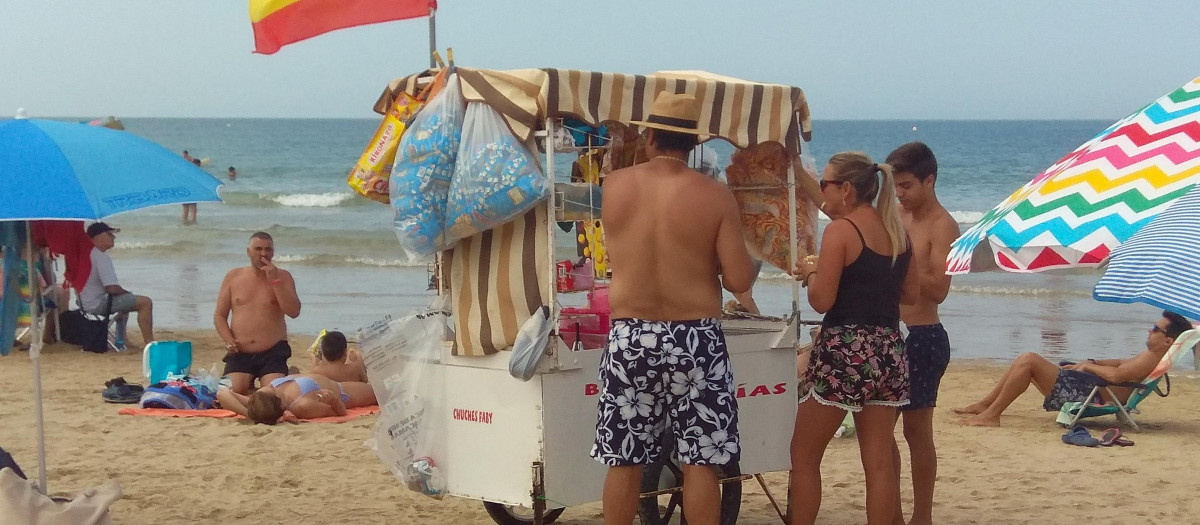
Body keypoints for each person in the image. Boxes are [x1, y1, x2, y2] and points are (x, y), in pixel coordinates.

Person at [590, 92, 757, 525]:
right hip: (694, 337)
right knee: (700, 460)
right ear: (695, 144)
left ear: (649, 137)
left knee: (624, 458)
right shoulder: (715, 196)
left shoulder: (614, 187)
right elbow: (739, 281)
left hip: (631, 334)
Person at [791, 152, 917, 525]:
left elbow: (822, 299)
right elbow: (910, 294)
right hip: (889, 348)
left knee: (804, 453)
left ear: (846, 189)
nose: (823, 191)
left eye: (826, 184)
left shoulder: (842, 231)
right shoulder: (897, 232)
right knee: (878, 462)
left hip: (845, 349)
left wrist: (812, 271)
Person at [885, 141, 960, 525]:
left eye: (907, 185)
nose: (900, 193)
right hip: (888, 334)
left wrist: (902, 265)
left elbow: (939, 289)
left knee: (916, 433)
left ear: (929, 180)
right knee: (880, 431)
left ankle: (922, 517)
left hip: (923, 335)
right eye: (896, 185)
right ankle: (893, 514)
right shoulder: (895, 214)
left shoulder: (942, 224)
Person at [956, 311, 1191, 427]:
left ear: (1168, 341)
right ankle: (986, 405)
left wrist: (1088, 367)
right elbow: (1120, 364)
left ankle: (992, 415)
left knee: (1028, 360)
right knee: (1024, 360)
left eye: (1155, 329)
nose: (1149, 331)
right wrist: (1093, 362)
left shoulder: (1152, 358)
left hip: (1093, 395)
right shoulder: (1152, 355)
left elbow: (1119, 376)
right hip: (1089, 386)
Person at [214, 231, 301, 395]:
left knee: (272, 393)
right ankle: (248, 382)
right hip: (241, 352)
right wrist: (228, 340)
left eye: (268, 249)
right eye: (258, 249)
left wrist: (275, 281)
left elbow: (294, 311)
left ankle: (289, 373)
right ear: (248, 252)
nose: (263, 253)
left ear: (273, 253)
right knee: (231, 391)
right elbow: (219, 316)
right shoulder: (234, 276)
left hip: (272, 350)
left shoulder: (284, 277)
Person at [80, 222, 154, 350]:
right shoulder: (100, 257)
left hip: (85, 301)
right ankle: (150, 343)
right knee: (145, 302)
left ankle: (121, 339)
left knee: (125, 300)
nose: (113, 238)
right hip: (97, 303)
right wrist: (126, 293)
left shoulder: (86, 254)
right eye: (109, 234)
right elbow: (112, 288)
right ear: (98, 237)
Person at [215, 373, 375, 424]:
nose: (267, 387)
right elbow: (340, 412)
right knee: (385, 391)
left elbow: (223, 394)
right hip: (344, 392)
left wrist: (251, 414)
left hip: (335, 380)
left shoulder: (263, 400)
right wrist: (334, 400)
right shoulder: (301, 406)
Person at [181, 158, 201, 224]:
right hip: (191, 192)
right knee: (192, 209)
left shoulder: (187, 171)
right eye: (198, 165)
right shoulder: (197, 172)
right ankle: (192, 222)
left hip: (185, 192)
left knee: (186, 209)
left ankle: (185, 222)